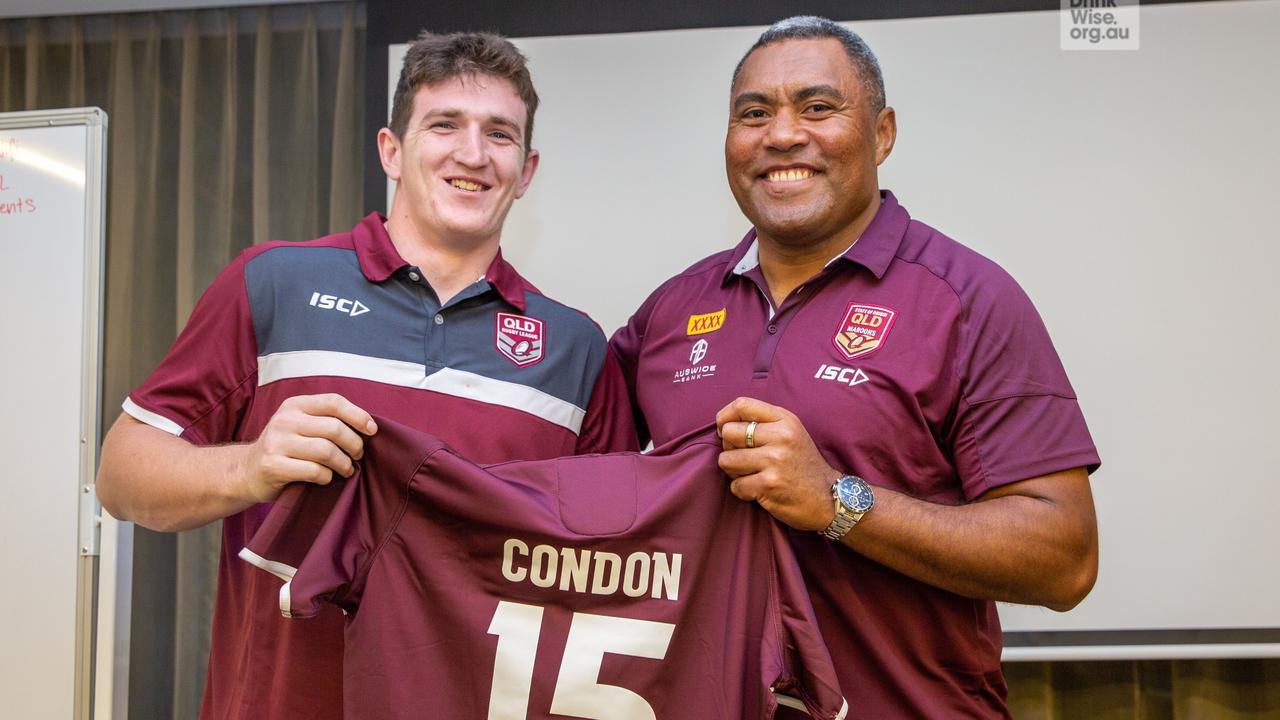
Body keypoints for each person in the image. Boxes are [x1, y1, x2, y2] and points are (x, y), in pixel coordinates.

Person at [96, 31, 634, 720]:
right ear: (391, 151)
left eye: (499, 135)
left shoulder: (575, 348)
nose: (473, 154)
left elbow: (609, 566)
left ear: (526, 170)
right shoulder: (274, 284)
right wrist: (250, 467)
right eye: (444, 125)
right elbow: (120, 473)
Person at [610, 16, 1100, 718]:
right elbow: (558, 476)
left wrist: (839, 504)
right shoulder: (672, 309)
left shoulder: (966, 299)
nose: (781, 135)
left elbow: (1066, 560)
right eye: (754, 114)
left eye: (817, 107)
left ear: (882, 133)